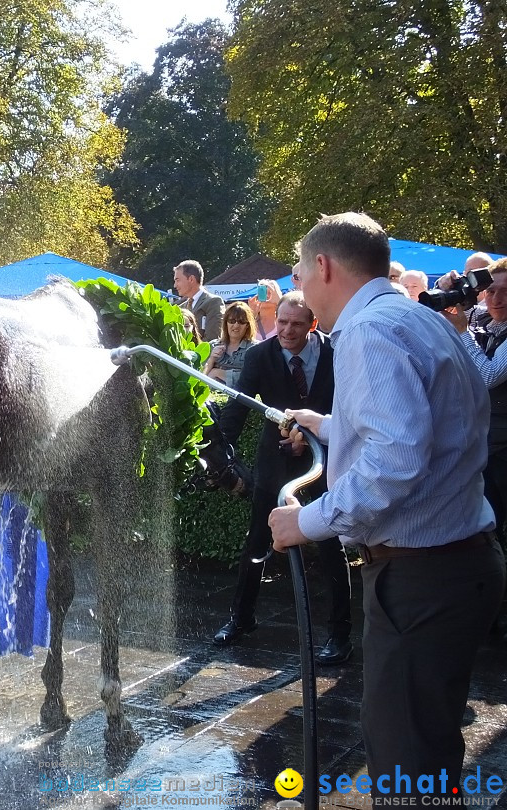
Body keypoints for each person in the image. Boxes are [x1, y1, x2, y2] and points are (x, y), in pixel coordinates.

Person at [269, 212, 503, 799]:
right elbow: (428, 422)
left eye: (299, 269)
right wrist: (329, 423)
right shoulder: (416, 319)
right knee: (426, 752)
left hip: (421, 577)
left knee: (406, 768)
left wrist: (308, 522)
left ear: (323, 266)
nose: (298, 282)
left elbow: (396, 457)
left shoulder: (370, 332)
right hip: (455, 565)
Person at [212, 292, 351, 664]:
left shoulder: (337, 354)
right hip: (274, 461)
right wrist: (220, 449)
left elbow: (349, 408)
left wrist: (322, 439)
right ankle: (240, 618)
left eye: (296, 324)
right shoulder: (260, 355)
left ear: (313, 324)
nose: (286, 331)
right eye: (282, 322)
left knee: (328, 543)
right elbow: (239, 407)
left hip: (324, 460)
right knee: (258, 538)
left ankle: (340, 635)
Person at [439, 258, 507, 542]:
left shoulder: (475, 325)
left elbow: (488, 376)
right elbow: (437, 311)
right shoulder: (482, 317)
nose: (497, 299)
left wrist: (462, 333)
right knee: (485, 525)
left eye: (506, 292)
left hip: (502, 451)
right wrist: (446, 289)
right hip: (481, 446)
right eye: (490, 290)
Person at [203, 301, 256, 387]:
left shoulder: (255, 349)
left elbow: (255, 378)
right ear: (225, 323)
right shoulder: (212, 345)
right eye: (232, 321)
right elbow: (199, 377)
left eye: (241, 322)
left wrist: (218, 373)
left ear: (247, 325)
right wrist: (212, 359)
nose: (236, 325)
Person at [172, 260, 224, 342]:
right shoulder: (180, 308)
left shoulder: (213, 302)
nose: (175, 285)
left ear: (191, 279)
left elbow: (213, 340)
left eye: (177, 280)